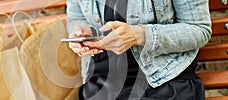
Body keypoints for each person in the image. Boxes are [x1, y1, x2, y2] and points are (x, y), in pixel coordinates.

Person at [66, 0, 211, 100]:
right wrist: (82, 33)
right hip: (101, 84)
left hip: (162, 83)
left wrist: (140, 35)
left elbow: (199, 29)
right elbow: (75, 18)